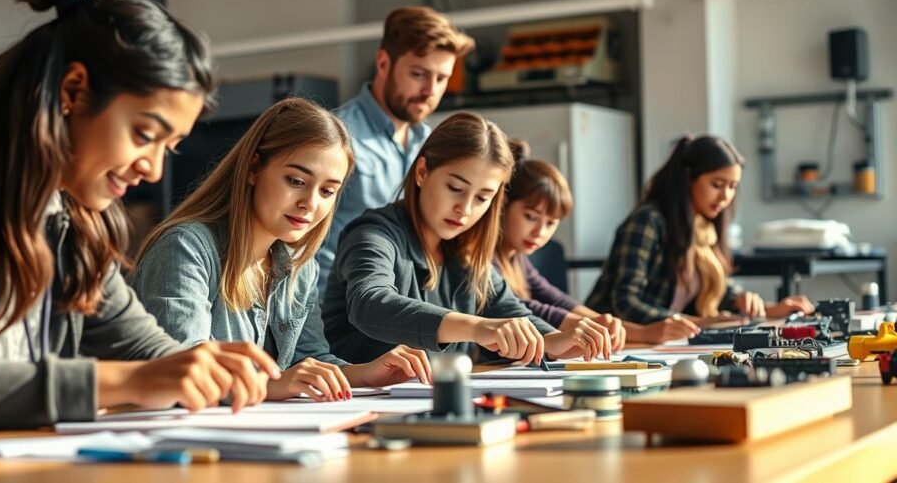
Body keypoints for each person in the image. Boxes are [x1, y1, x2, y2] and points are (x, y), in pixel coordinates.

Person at [0, 0, 278, 432]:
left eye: (167, 147)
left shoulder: (74, 221)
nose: (151, 170)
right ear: (72, 91)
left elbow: (150, 355)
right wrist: (124, 383)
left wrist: (224, 377)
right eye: (144, 134)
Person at [133, 98, 432, 402]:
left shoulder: (298, 265)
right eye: (296, 180)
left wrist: (366, 373)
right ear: (253, 168)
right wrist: (269, 386)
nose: (311, 204)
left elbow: (308, 359)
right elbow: (183, 370)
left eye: (328, 191)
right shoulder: (186, 247)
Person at [323, 112, 613, 365]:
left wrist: (554, 341)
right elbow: (371, 303)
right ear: (422, 172)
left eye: (483, 197)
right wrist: (478, 328)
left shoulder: (467, 250)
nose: (466, 208)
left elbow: (510, 312)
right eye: (455, 188)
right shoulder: (372, 234)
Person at [584, 135, 814, 339]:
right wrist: (702, 323)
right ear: (688, 179)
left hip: (665, 343)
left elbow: (721, 290)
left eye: (733, 186)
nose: (725, 196)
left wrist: (766, 307)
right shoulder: (648, 221)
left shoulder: (704, 228)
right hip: (616, 342)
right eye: (717, 184)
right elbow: (625, 303)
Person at [315, 6, 475, 295]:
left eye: (441, 78)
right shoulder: (336, 137)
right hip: (337, 310)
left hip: (403, 309)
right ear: (384, 63)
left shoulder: (431, 144)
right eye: (418, 74)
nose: (430, 90)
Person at [494, 142, 635, 348]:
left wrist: (601, 322)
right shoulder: (486, 257)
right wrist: (584, 324)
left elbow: (556, 299)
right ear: (503, 204)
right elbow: (519, 306)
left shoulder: (517, 258)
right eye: (530, 217)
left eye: (551, 223)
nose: (540, 232)